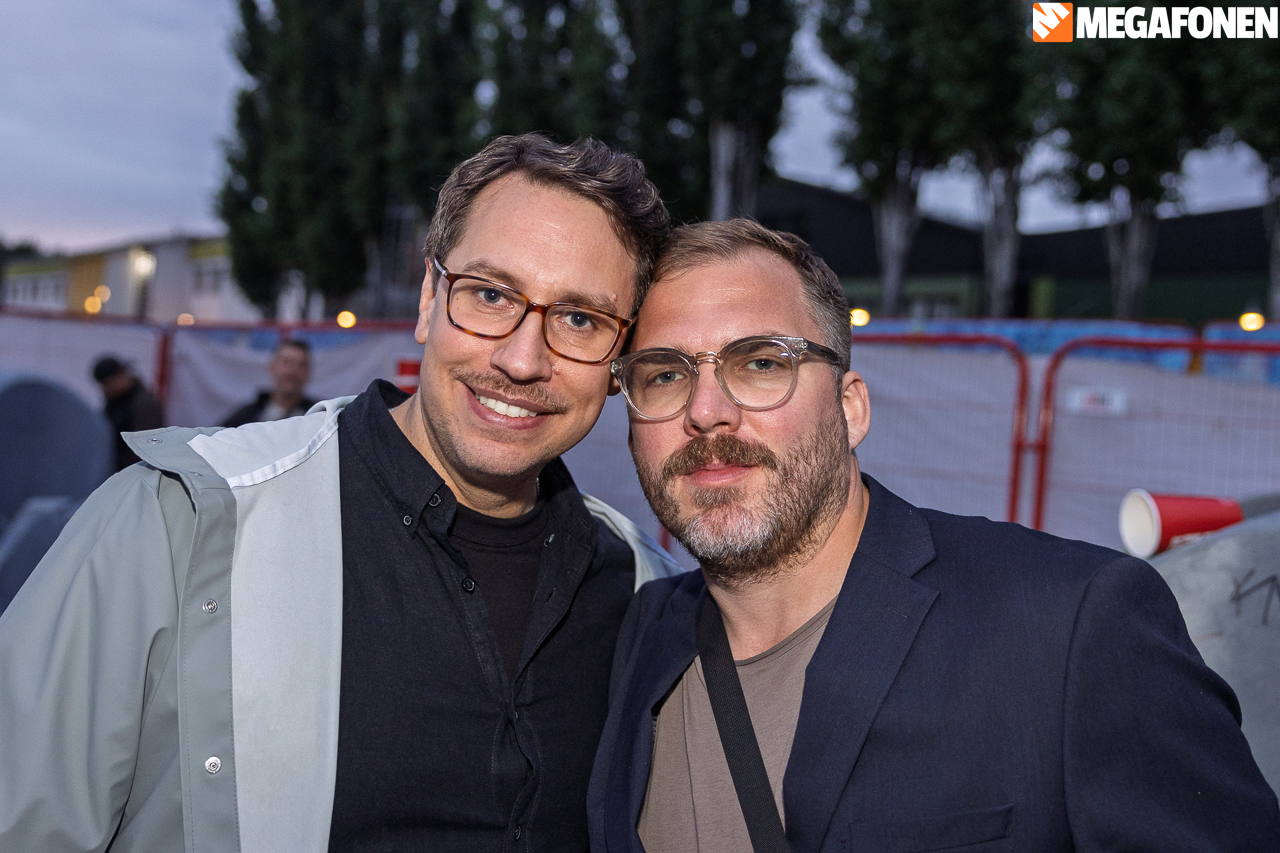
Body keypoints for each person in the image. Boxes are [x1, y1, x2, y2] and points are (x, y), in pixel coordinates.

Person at [0, 134, 680, 852]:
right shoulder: (178, 524)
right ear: (428, 299)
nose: (521, 358)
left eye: (580, 319)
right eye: (490, 294)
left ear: (620, 359)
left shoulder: (644, 593)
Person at [588, 219, 1280, 852]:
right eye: (665, 374)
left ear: (851, 409)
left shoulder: (1069, 626)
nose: (706, 410)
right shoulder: (632, 635)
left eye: (762, 362)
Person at [91, 354, 164, 471]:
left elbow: (142, 448)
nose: (106, 389)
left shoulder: (143, 404)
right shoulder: (116, 400)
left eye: (108, 383)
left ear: (121, 376)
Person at [222, 337, 317, 427]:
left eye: (301, 365)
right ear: (272, 366)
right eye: (286, 362)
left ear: (308, 372)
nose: (292, 371)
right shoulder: (247, 415)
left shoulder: (317, 416)